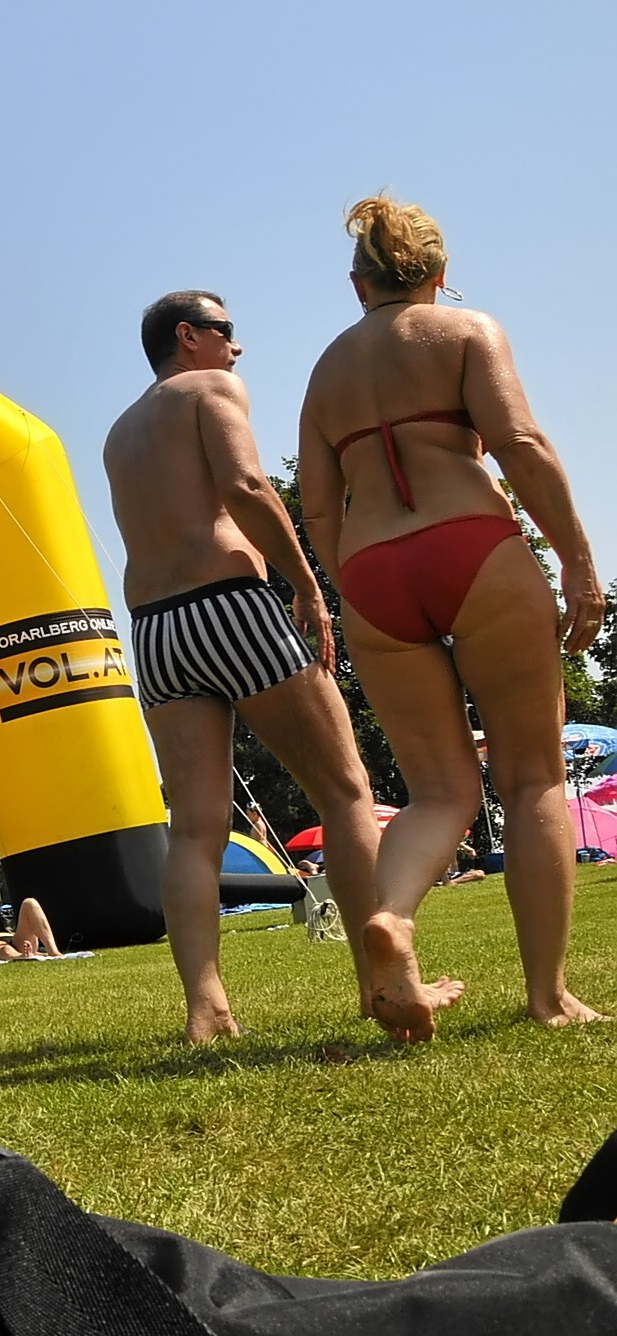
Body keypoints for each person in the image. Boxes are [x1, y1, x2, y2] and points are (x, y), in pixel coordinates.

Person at [105, 290, 458, 1044]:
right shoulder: (210, 388)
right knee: (346, 791)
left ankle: (206, 1008)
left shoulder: (120, 432)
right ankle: (381, 984)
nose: (237, 348)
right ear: (188, 336)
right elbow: (245, 485)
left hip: (157, 628)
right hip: (231, 602)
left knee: (194, 829)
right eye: (226, 331)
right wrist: (306, 584)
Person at [300, 195, 602, 1030]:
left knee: (437, 790)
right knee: (532, 776)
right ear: (438, 274)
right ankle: (547, 997)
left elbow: (318, 508)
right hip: (472, 543)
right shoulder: (467, 332)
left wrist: (355, 584)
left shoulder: (325, 372)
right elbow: (521, 446)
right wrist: (578, 561)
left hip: (371, 566)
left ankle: (393, 918)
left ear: (358, 285)